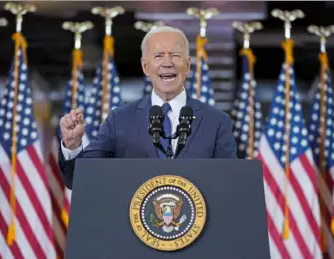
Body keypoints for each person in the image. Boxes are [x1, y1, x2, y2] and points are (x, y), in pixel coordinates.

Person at [59, 26, 237, 189]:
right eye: (159, 56)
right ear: (145, 66)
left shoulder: (217, 122)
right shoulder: (120, 120)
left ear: (188, 65)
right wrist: (73, 145)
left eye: (175, 55)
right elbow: (79, 179)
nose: (167, 63)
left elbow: (231, 183)